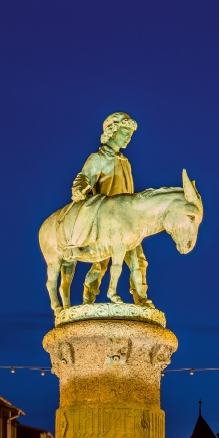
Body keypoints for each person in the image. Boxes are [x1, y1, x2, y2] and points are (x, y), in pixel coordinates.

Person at [69, 111, 149, 304]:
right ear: (112, 131)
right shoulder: (99, 158)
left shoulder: (125, 162)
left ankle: (141, 297)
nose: (129, 137)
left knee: (138, 260)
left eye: (131, 134)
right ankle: (88, 298)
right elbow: (84, 177)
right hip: (107, 220)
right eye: (125, 132)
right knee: (100, 263)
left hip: (128, 222)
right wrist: (79, 189)